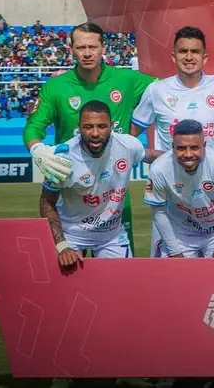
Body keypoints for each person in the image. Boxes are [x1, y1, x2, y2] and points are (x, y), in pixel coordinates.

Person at [37, 100, 147, 388]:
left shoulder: (129, 146)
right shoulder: (64, 156)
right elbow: (46, 202)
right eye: (88, 127)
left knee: (122, 305)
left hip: (112, 236)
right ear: (79, 128)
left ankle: (124, 369)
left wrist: (179, 154)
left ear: (111, 126)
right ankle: (63, 371)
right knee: (67, 307)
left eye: (101, 126)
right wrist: (61, 246)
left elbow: (150, 155)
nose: (95, 133)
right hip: (72, 234)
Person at [23, 21, 155, 255]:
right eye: (81, 47)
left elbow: (170, 90)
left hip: (113, 196)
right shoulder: (56, 87)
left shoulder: (127, 80)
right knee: (69, 279)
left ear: (103, 48)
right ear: (71, 48)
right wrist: (37, 149)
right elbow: (34, 126)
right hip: (71, 195)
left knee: (119, 282)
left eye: (92, 47)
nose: (87, 53)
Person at [130, 26, 214, 257]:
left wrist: (210, 151)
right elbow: (133, 130)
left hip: (212, 197)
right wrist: (151, 154)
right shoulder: (156, 90)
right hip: (172, 198)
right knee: (170, 280)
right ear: (173, 56)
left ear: (205, 57)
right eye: (183, 51)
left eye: (195, 52)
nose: (189, 57)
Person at [144, 119, 214, 258]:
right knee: (176, 277)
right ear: (173, 147)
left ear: (204, 146)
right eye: (181, 148)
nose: (188, 155)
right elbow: (159, 212)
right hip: (181, 232)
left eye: (194, 148)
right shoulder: (159, 168)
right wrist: (175, 251)